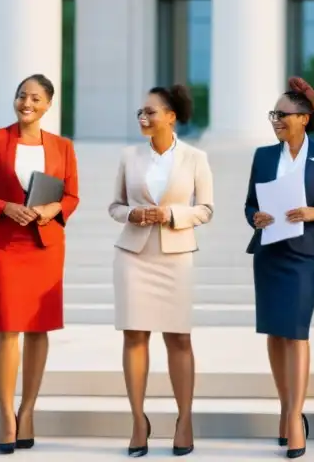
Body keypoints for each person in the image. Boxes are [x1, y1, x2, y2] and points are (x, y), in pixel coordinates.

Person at [0, 74, 80, 454]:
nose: (26, 102)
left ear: (49, 105)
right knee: (6, 328)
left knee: (38, 329)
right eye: (21, 96)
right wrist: (4, 207)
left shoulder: (63, 146)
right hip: (3, 244)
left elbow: (72, 195)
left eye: (35, 97)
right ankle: (5, 415)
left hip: (44, 244)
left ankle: (28, 411)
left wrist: (53, 208)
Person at [108, 84, 214, 458]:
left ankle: (184, 420)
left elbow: (205, 209)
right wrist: (132, 213)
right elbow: (115, 206)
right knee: (134, 337)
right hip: (133, 254)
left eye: (151, 111)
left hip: (175, 254)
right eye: (141, 111)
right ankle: (138, 421)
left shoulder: (195, 158)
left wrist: (171, 214)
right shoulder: (128, 155)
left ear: (171, 116)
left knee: (179, 339)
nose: (143, 117)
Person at [245, 76, 314, 460]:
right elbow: (248, 204)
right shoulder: (263, 156)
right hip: (269, 252)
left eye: (283, 114)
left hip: (306, 254)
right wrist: (255, 217)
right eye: (273, 114)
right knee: (274, 332)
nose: (276, 121)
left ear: (304, 118)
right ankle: (285, 407)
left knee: (297, 332)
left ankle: (293, 419)